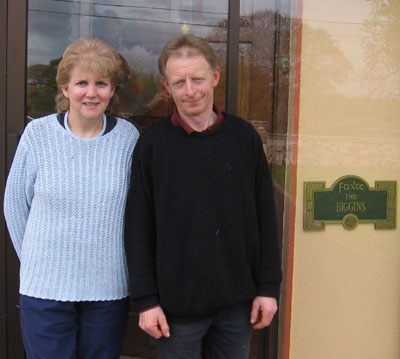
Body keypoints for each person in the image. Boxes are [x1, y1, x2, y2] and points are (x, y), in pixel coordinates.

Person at [124, 34, 282, 359]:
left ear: (215, 76)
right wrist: (147, 301)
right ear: (167, 86)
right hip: (174, 311)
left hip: (237, 307)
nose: (190, 90)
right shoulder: (152, 145)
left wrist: (268, 288)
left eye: (197, 79)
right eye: (179, 82)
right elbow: (138, 228)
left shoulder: (244, 139)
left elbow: (266, 217)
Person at [4, 38, 139, 359]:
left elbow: (137, 213)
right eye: (81, 83)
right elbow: (14, 206)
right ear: (65, 88)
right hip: (45, 292)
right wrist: (40, 262)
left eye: (101, 84)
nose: (91, 93)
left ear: (111, 90)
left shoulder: (128, 139)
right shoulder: (38, 135)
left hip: (107, 289)